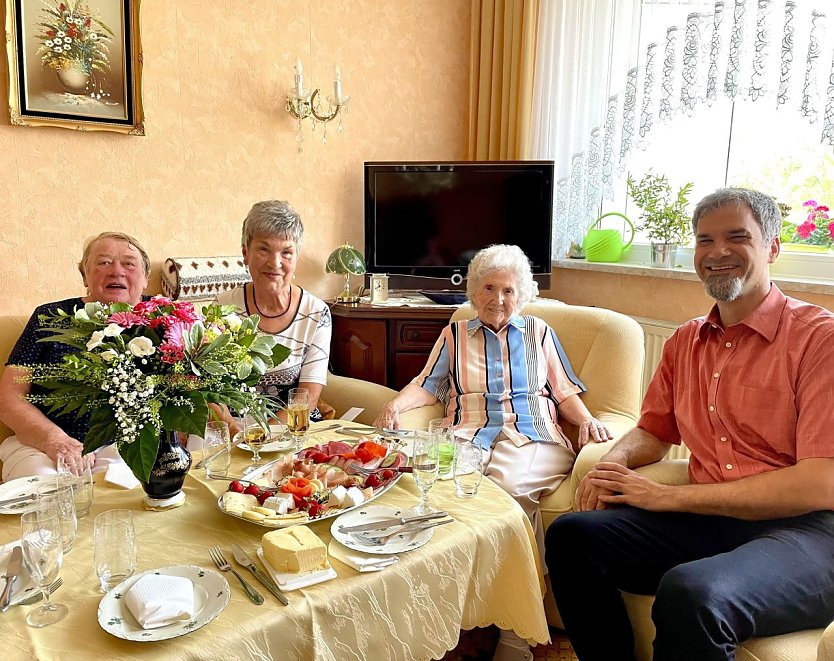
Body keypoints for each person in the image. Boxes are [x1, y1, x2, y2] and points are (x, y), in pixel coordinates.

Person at [545, 188, 834, 661]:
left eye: (736, 237)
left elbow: (821, 483)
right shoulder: (685, 341)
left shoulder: (819, 339)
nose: (717, 252)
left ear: (773, 249)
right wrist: (612, 464)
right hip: (715, 521)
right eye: (704, 241)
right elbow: (654, 432)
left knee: (692, 592)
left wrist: (670, 498)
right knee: (572, 536)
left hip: (809, 534)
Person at [374, 244, 612, 661]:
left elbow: (564, 391)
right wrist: (395, 404)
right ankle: (451, 612)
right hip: (468, 434)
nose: (497, 299)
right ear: (473, 290)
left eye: (507, 290)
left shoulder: (539, 333)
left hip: (533, 435)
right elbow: (427, 384)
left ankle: (516, 632)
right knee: (439, 491)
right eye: (488, 288)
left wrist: (587, 419)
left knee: (505, 491)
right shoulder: (454, 334)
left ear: (521, 294)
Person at [0, 232, 151, 480]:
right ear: (84, 275)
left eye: (129, 263)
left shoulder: (162, 319)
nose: (116, 271)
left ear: (145, 278)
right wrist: (55, 439)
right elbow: (9, 398)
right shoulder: (49, 317)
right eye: (103, 262)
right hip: (44, 444)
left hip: (128, 444)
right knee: (46, 495)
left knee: (127, 493)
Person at [214, 200, 331, 426]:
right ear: (245, 253)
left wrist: (264, 438)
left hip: (291, 427)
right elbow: (210, 387)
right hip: (232, 428)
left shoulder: (316, 313)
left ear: (296, 257)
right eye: (264, 249)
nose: (275, 263)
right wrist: (232, 431)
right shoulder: (223, 306)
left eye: (286, 252)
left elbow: (308, 397)